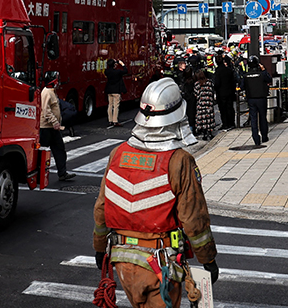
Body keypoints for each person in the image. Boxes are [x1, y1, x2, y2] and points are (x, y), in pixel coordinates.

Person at [92, 78, 219, 308]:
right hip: (160, 265)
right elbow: (194, 219)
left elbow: (102, 208)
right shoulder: (179, 161)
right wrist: (208, 259)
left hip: (122, 261)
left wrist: (100, 248)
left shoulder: (117, 154)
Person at [39, 73, 75, 181]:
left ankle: (62, 173)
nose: (57, 82)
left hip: (53, 128)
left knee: (59, 149)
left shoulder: (52, 92)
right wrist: (55, 122)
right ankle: (39, 174)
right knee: (42, 151)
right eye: (56, 80)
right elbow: (46, 110)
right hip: (46, 128)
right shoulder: (46, 92)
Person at [241, 56, 271, 146]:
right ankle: (264, 136)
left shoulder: (246, 76)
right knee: (263, 117)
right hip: (261, 98)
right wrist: (264, 70)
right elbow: (269, 79)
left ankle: (256, 138)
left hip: (251, 99)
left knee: (253, 119)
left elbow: (242, 86)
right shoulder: (261, 74)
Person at [213, 54, 237, 130]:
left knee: (223, 109)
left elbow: (217, 83)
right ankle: (232, 123)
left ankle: (225, 124)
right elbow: (233, 81)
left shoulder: (217, 71)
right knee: (230, 107)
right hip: (230, 92)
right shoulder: (229, 70)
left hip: (221, 93)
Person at [105, 59, 130, 127]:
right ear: (114, 65)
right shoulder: (118, 72)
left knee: (110, 105)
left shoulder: (106, 71)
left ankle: (110, 120)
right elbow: (126, 71)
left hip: (109, 90)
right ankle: (115, 121)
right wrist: (122, 64)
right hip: (116, 90)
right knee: (116, 106)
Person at [193, 68, 216, 140]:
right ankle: (210, 132)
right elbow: (212, 91)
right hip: (209, 103)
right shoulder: (209, 82)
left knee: (203, 119)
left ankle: (204, 134)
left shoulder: (197, 84)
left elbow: (196, 94)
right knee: (209, 118)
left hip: (201, 104)